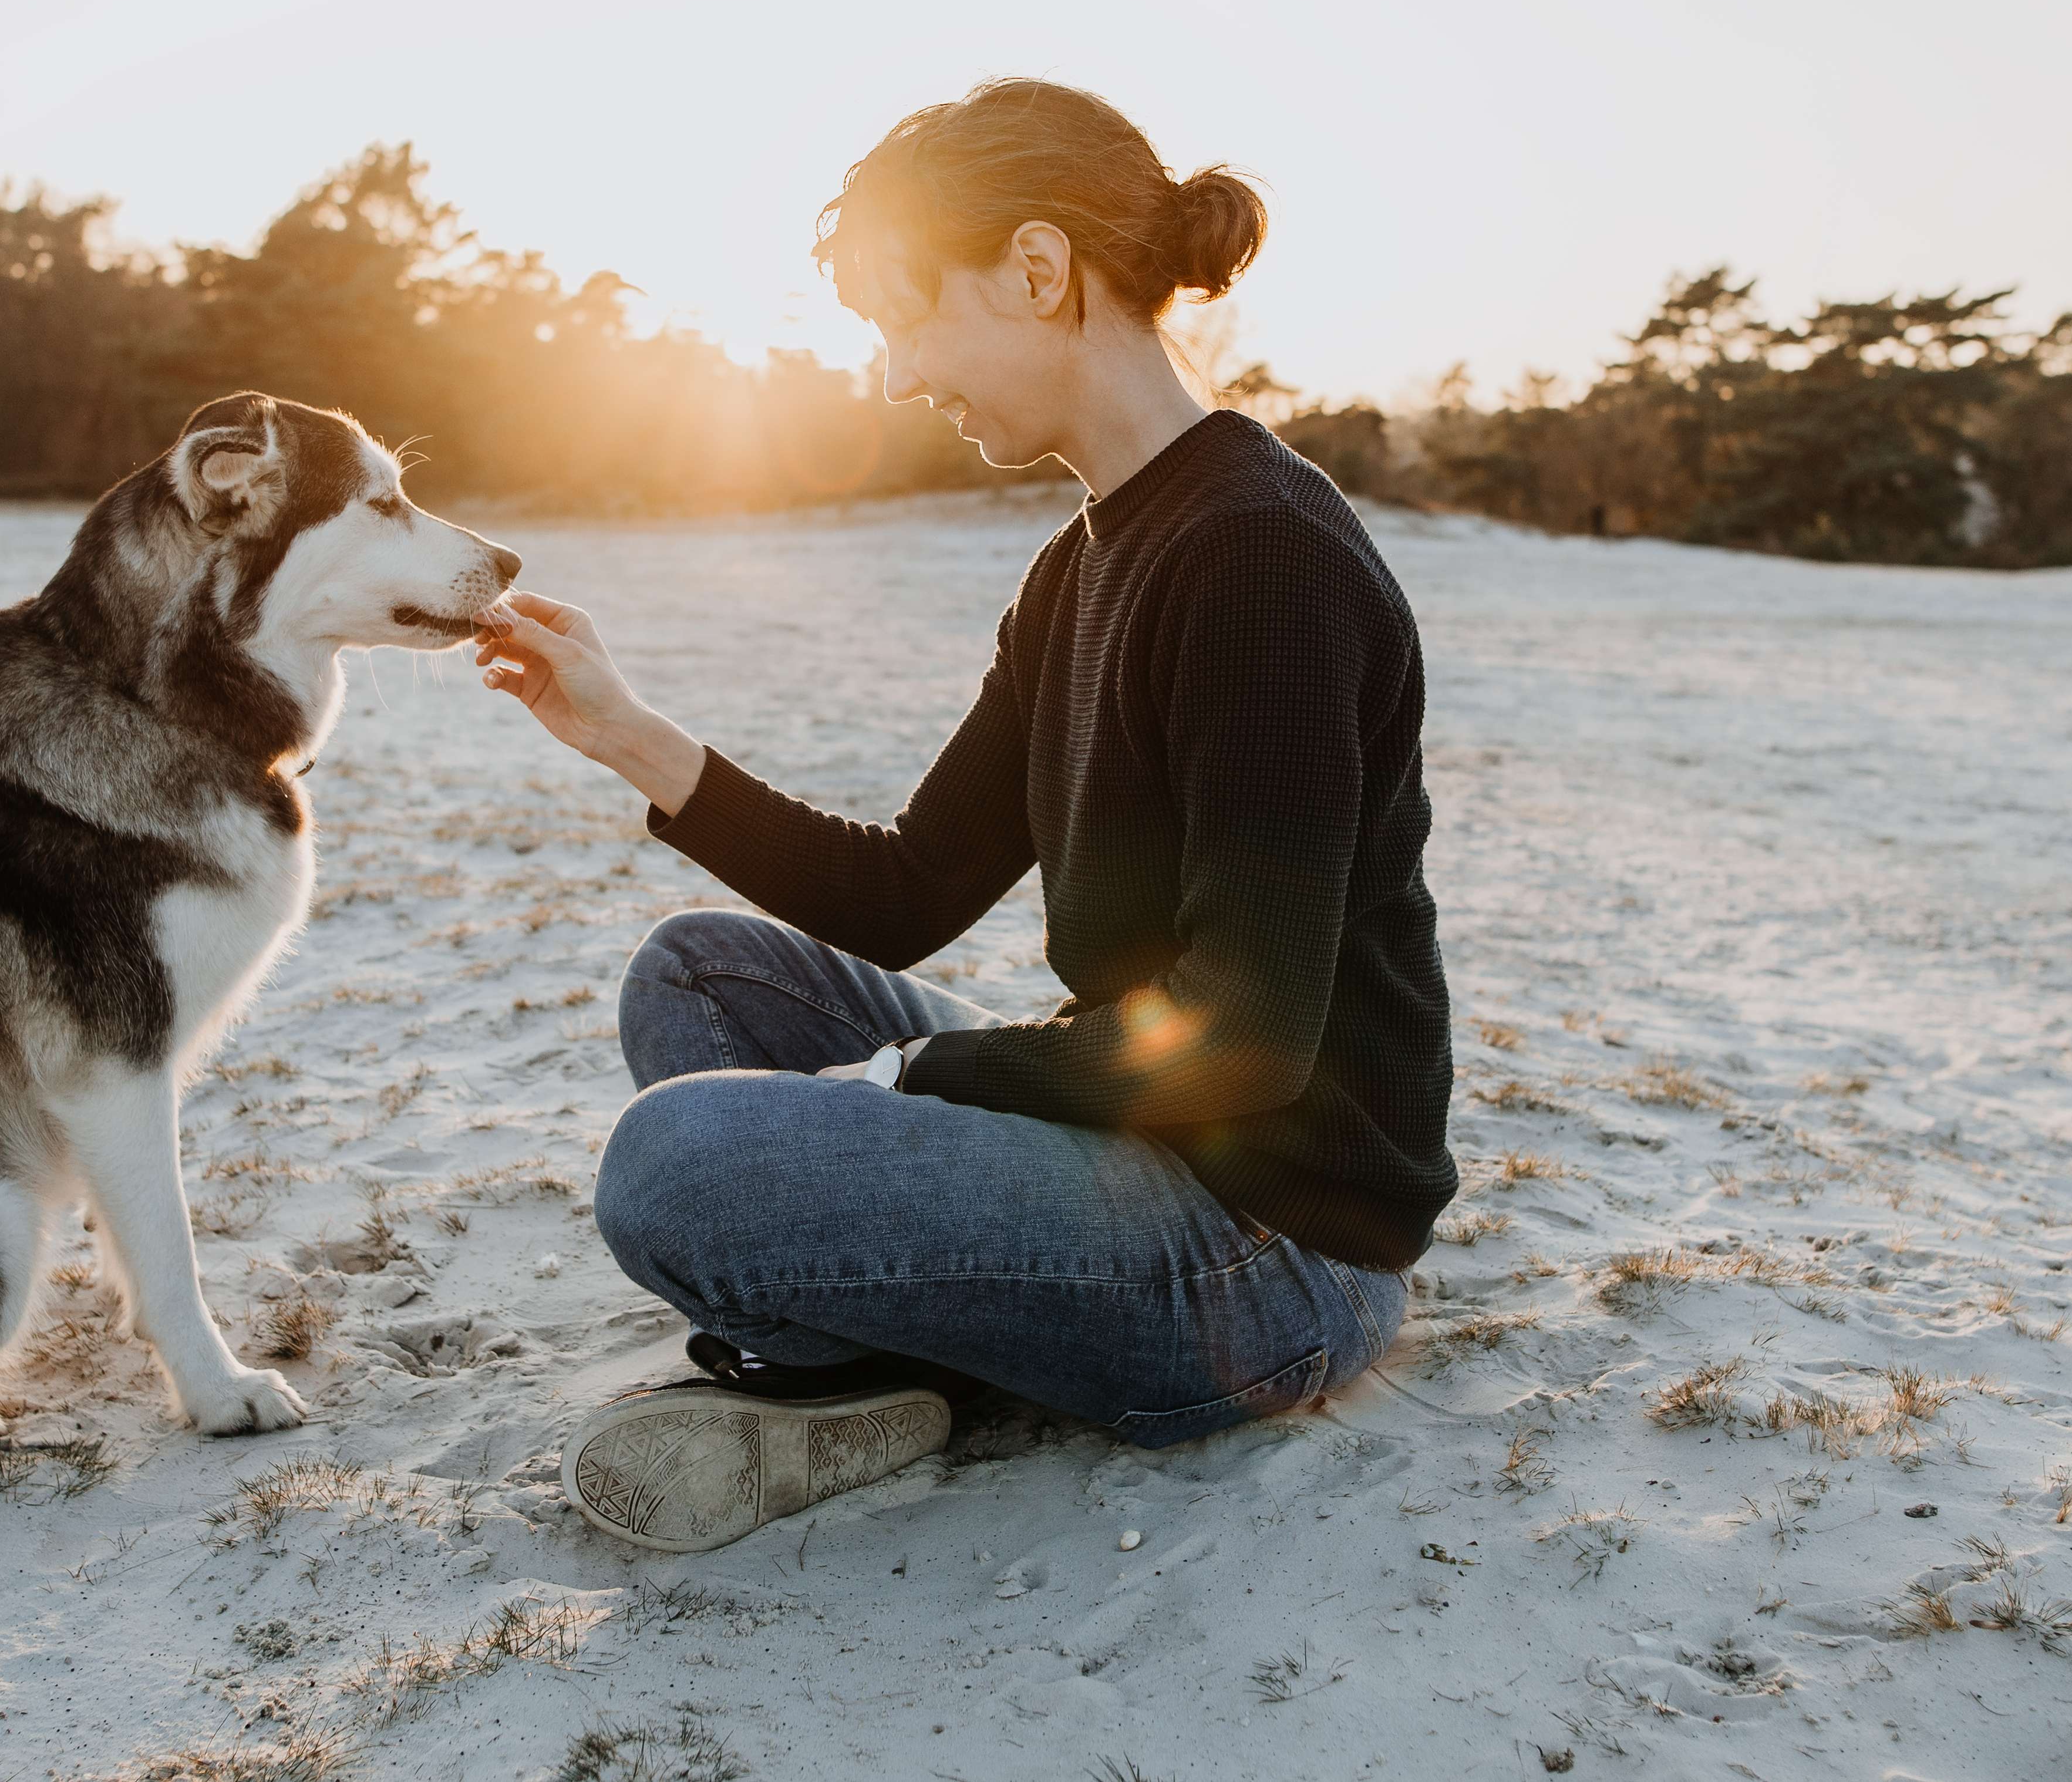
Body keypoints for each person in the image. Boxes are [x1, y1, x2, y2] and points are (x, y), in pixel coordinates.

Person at [471, 79, 1457, 1552]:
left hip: (1271, 1247)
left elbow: (1246, 1037)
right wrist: (625, 731)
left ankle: (869, 1358)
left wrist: (922, 1071)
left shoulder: (1261, 557)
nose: (894, 376)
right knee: (697, 974)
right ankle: (907, 1354)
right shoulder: (1080, 567)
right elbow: (910, 887)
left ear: (1039, 268)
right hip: (1149, 1144)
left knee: (675, 1162)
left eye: (905, 317)